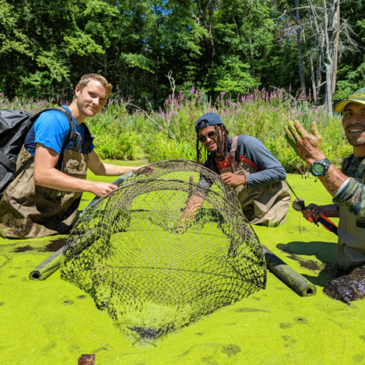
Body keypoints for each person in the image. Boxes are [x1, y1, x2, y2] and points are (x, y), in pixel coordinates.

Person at [0, 73, 142, 238]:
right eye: (92, 95)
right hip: (22, 218)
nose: (96, 102)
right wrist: (92, 186)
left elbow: (99, 168)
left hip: (54, 217)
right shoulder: (53, 121)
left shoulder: (81, 130)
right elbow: (42, 174)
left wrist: (137, 169)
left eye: (102, 100)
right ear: (77, 90)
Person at [284, 87, 365, 270]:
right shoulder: (350, 163)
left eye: (364, 113)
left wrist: (315, 158)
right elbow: (348, 207)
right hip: (348, 262)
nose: (354, 120)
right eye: (348, 113)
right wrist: (323, 211)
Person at [182, 112, 291, 227]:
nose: (208, 140)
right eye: (202, 138)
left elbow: (279, 172)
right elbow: (200, 194)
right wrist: (183, 223)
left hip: (271, 210)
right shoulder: (210, 164)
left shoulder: (247, 144)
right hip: (242, 216)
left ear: (222, 130)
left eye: (211, 134)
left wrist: (243, 179)